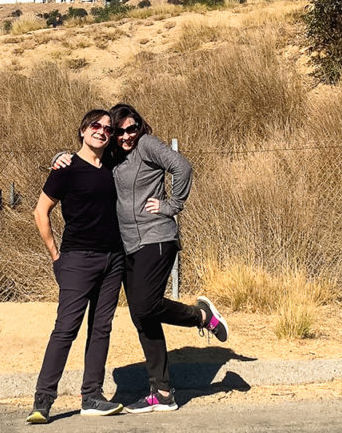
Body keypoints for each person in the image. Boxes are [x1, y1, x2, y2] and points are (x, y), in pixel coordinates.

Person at [54, 103, 229, 414]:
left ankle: (201, 316)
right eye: (119, 131)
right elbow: (85, 158)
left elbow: (182, 167)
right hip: (127, 245)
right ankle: (162, 392)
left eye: (131, 128)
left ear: (140, 127)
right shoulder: (111, 155)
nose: (125, 136)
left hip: (156, 237)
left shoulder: (147, 144)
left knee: (146, 306)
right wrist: (59, 158)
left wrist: (170, 205)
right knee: (142, 316)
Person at [26, 110, 126, 424]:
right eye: (96, 125)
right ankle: (43, 401)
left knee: (101, 329)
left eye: (107, 129)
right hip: (77, 259)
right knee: (66, 329)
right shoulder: (66, 168)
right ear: (83, 130)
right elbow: (41, 212)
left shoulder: (111, 166)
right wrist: (56, 256)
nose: (102, 131)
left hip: (113, 259)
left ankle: (92, 396)